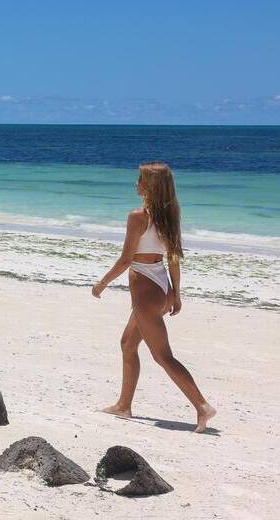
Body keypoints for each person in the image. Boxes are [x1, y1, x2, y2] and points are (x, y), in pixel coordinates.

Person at [92, 161, 216, 433]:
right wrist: (175, 293)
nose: (136, 183)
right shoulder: (169, 216)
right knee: (128, 344)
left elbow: (126, 260)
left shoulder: (138, 217)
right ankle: (123, 406)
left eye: (140, 179)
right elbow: (173, 259)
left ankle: (202, 406)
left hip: (146, 292)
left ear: (150, 186)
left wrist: (102, 283)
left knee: (162, 356)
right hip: (160, 287)